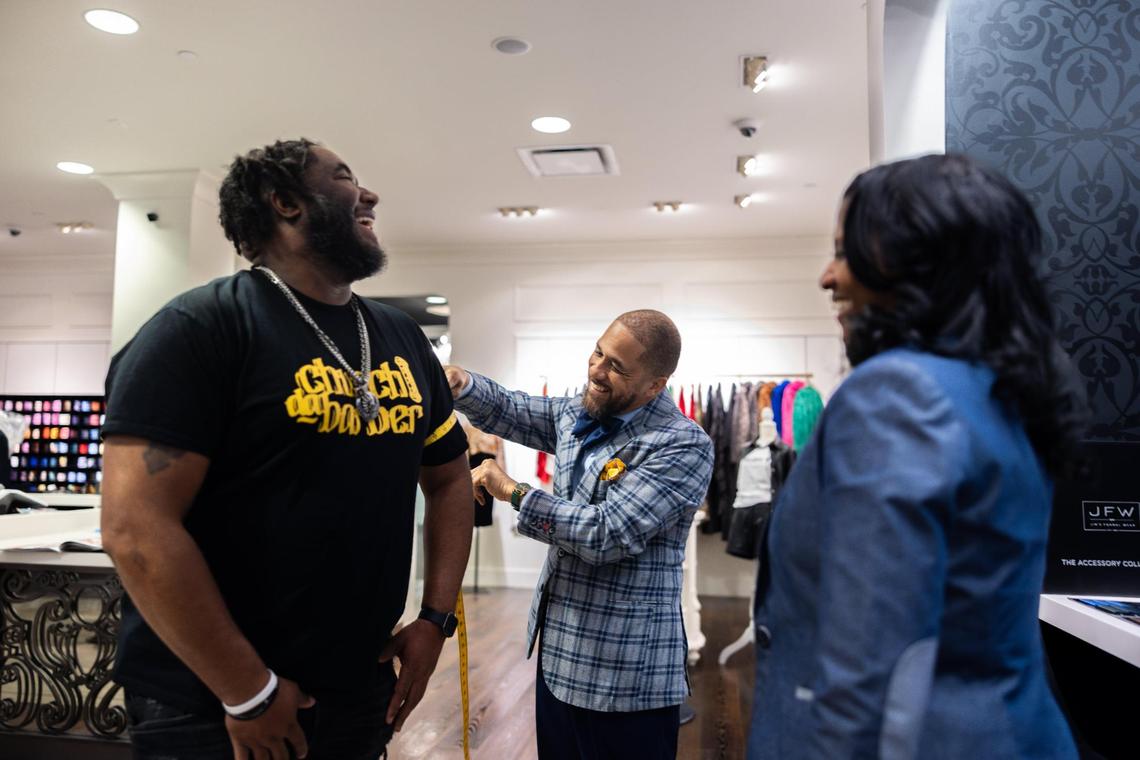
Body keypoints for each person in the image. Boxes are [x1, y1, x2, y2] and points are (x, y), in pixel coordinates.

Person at [100, 138, 473, 760]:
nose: (372, 194)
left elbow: (451, 479)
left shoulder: (401, 338)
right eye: (347, 177)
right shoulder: (200, 329)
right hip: (212, 703)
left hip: (358, 688)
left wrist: (434, 621)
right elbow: (135, 525)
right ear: (285, 202)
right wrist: (247, 690)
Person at [747, 154, 1086, 759]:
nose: (828, 277)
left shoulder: (895, 396)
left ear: (919, 260)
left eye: (847, 253)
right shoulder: (1000, 389)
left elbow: (873, 676)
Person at [444, 310, 713, 760]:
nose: (596, 371)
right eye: (598, 352)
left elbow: (607, 533)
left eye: (617, 367)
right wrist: (461, 384)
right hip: (560, 655)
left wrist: (512, 491)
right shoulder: (578, 412)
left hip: (626, 674)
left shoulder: (682, 444)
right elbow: (511, 409)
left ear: (655, 384)